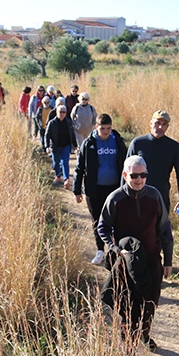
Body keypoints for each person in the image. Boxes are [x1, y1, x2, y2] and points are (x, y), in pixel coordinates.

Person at [97, 155, 173, 351]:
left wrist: (168, 260)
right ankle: (128, 348)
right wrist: (116, 249)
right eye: (134, 175)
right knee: (128, 305)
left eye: (143, 175)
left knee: (150, 303)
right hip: (127, 261)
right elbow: (103, 228)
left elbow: (165, 228)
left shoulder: (155, 196)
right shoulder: (116, 198)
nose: (139, 179)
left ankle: (145, 335)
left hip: (152, 258)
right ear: (125, 175)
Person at [73, 113, 128, 265]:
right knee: (97, 220)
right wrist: (77, 190)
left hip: (115, 188)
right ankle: (99, 251)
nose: (105, 132)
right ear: (96, 127)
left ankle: (114, 250)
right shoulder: (89, 143)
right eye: (102, 128)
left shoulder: (117, 141)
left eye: (108, 128)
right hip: (94, 189)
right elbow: (79, 168)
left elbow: (126, 163)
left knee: (115, 220)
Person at [126, 110, 179, 214]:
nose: (160, 127)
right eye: (157, 123)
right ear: (151, 123)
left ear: (167, 127)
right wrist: (124, 197)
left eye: (164, 124)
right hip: (137, 196)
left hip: (161, 197)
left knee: (160, 229)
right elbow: (126, 171)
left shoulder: (174, 147)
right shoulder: (138, 143)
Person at [44, 105, 77, 188]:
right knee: (56, 163)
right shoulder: (52, 123)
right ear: (56, 113)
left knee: (65, 162)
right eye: (60, 112)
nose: (62, 114)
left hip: (66, 146)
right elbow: (47, 135)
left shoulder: (69, 122)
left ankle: (66, 180)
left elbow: (72, 135)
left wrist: (75, 145)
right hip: (55, 146)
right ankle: (58, 176)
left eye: (64, 112)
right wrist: (47, 146)